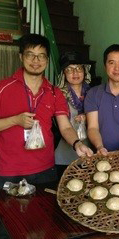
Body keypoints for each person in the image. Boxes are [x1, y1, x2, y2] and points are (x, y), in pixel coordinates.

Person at [0, 34, 92, 188]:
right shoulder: (3, 88)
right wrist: (15, 120)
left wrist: (77, 144)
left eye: (41, 56)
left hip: (45, 170)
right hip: (8, 170)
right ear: (21, 57)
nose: (36, 61)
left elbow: (66, 127)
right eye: (31, 55)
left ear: (47, 60)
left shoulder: (54, 92)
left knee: (44, 212)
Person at [55, 51, 92, 178]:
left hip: (90, 152)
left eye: (78, 68)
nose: (75, 73)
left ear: (85, 71)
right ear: (63, 74)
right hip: (64, 155)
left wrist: (88, 118)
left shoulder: (94, 94)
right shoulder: (57, 95)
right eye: (69, 70)